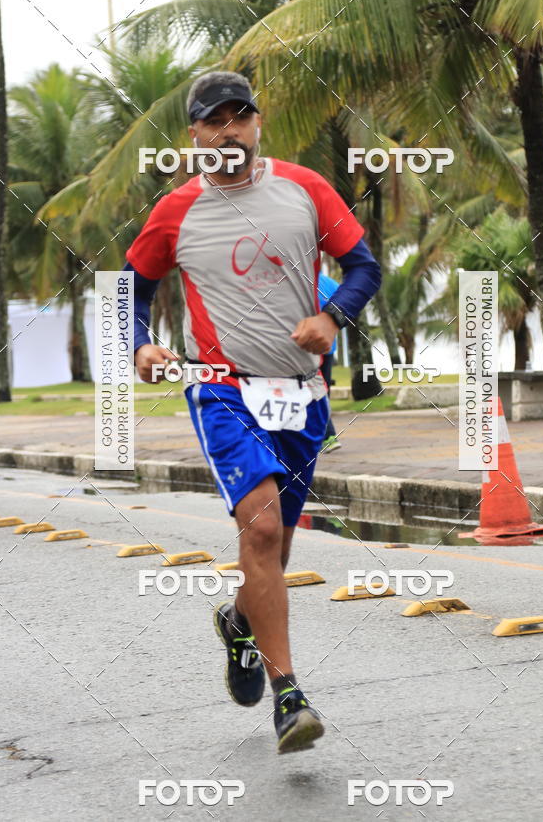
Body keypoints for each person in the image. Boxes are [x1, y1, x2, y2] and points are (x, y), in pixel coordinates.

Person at [123, 71, 381, 754]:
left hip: (301, 392)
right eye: (215, 121)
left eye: (241, 117)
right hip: (222, 389)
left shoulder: (305, 189)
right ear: (195, 135)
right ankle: (289, 696)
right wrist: (142, 342)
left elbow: (364, 268)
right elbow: (131, 290)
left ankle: (241, 623)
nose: (229, 130)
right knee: (261, 531)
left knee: (276, 547)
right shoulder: (175, 211)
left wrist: (333, 316)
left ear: (257, 125)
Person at [317, 271, 342, 452]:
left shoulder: (299, 282)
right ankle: (324, 436)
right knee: (322, 391)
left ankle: (328, 436)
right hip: (329, 347)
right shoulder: (331, 284)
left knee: (316, 393)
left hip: (308, 348)